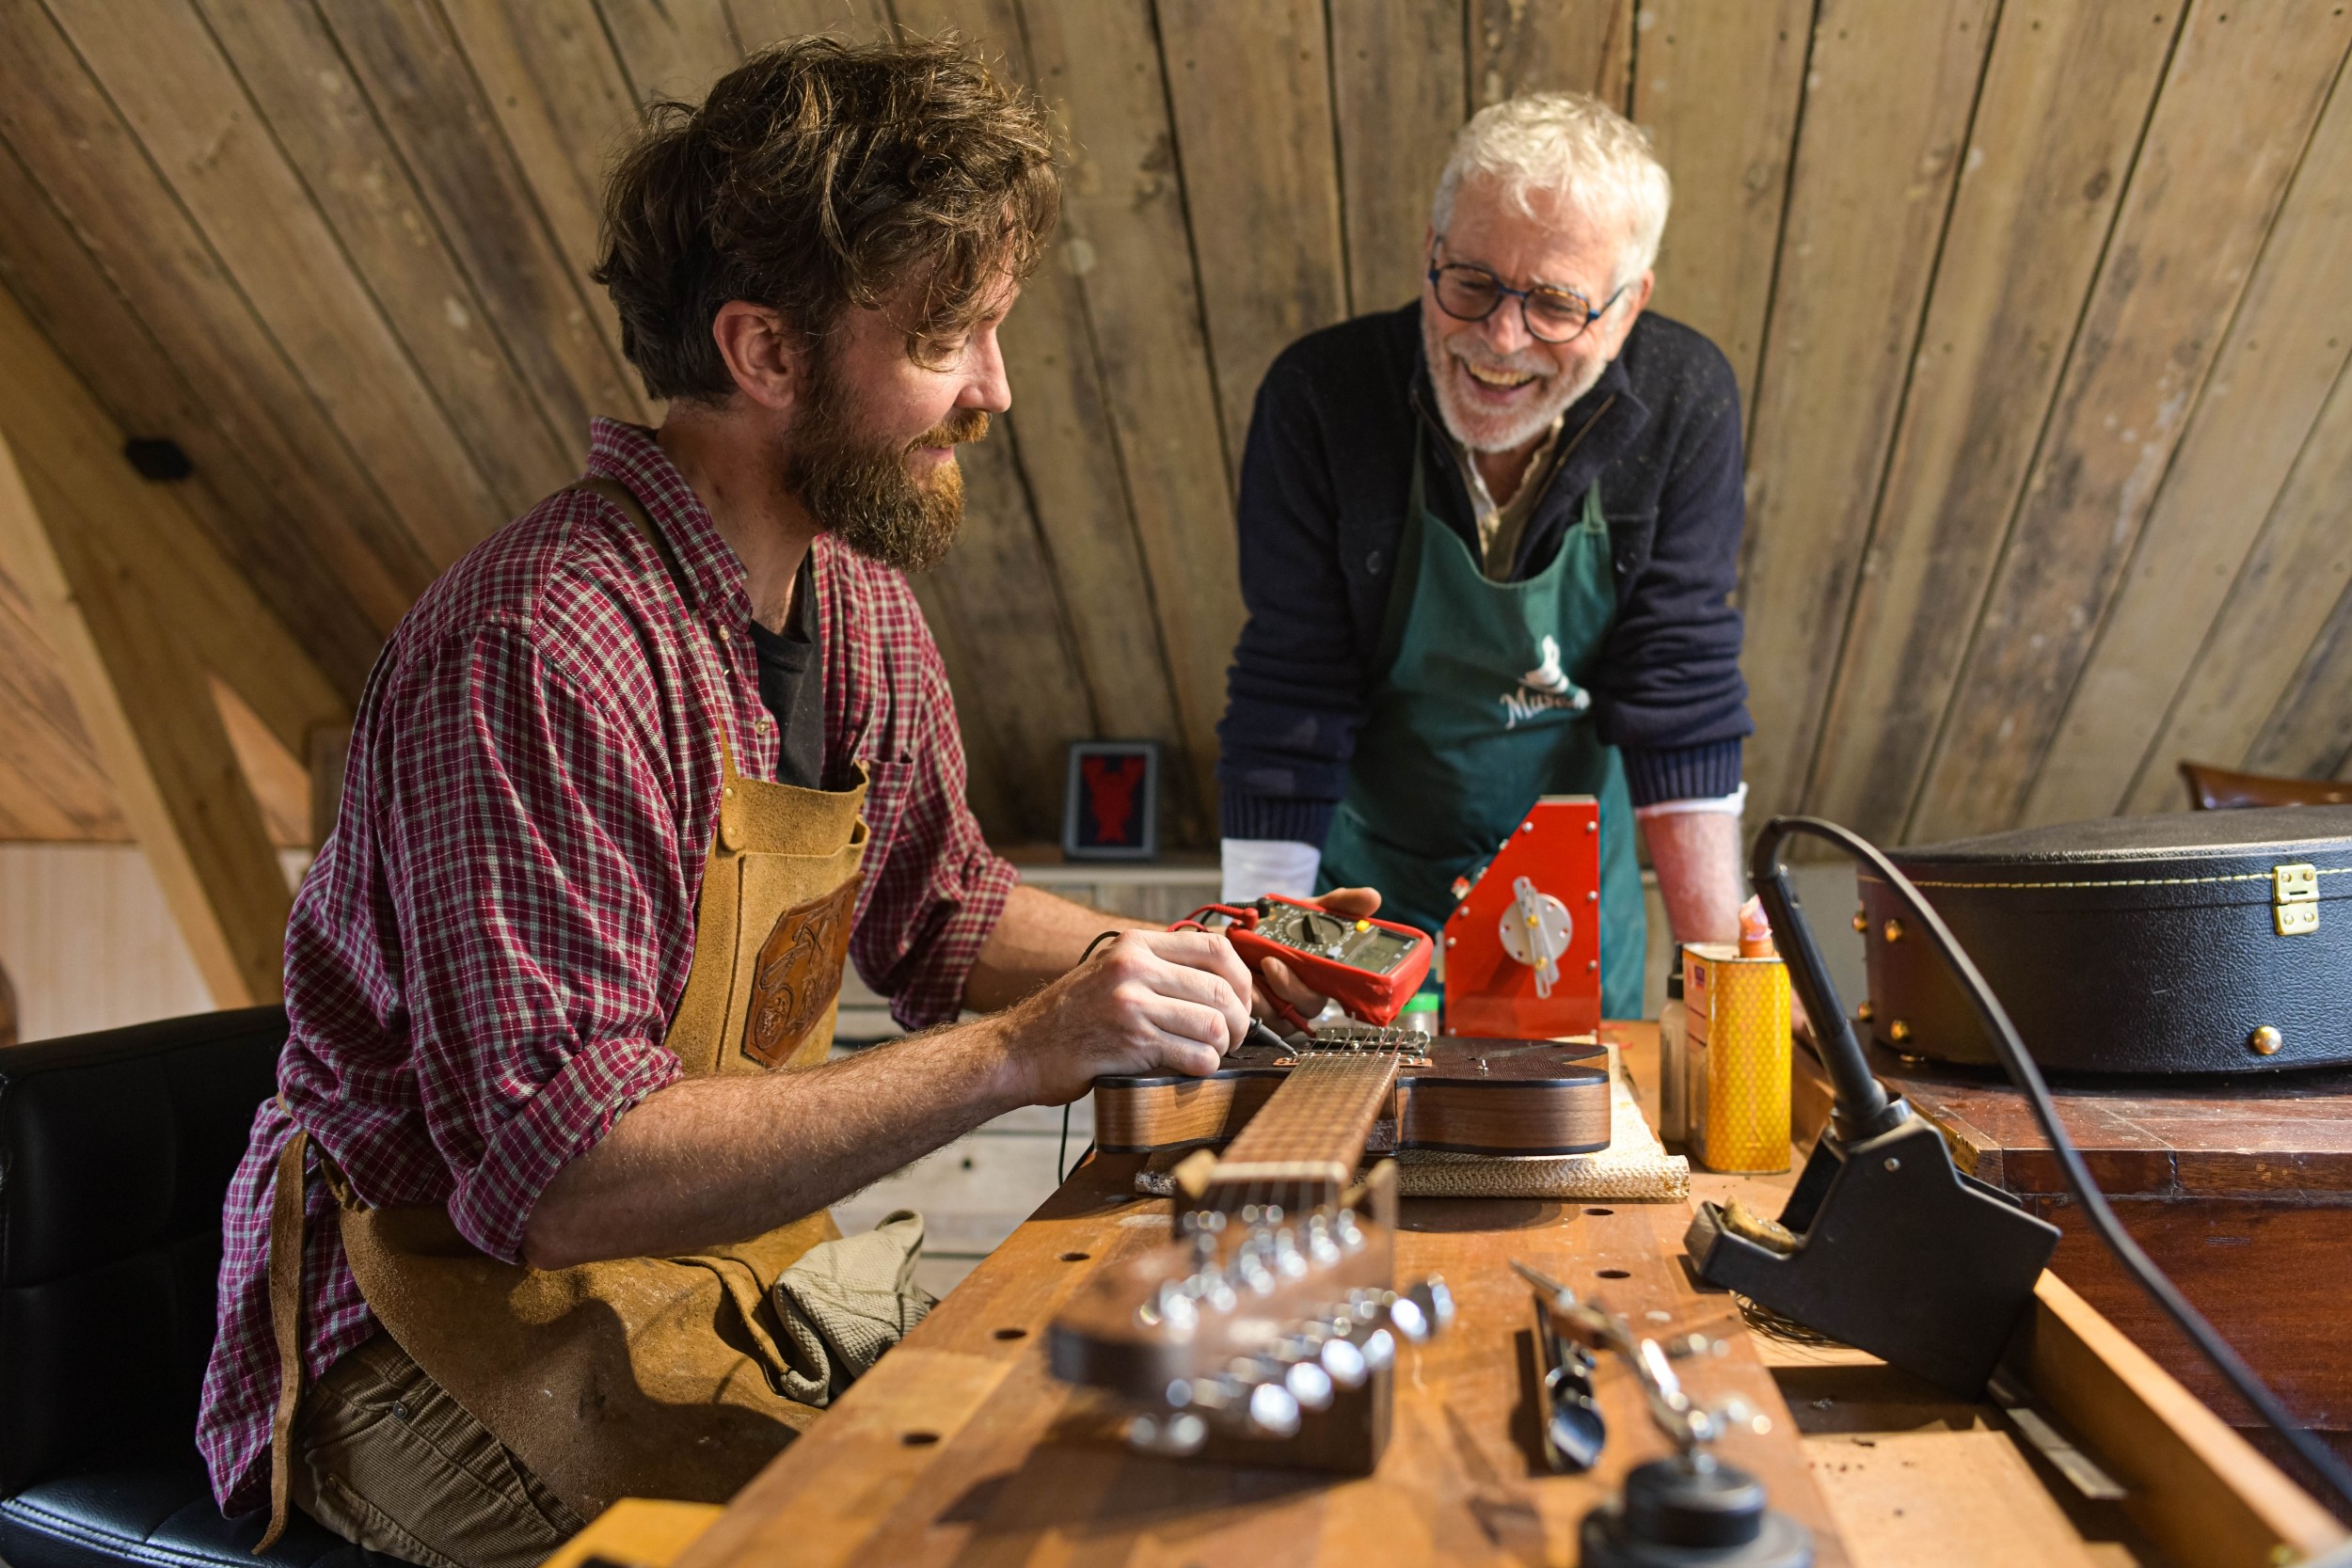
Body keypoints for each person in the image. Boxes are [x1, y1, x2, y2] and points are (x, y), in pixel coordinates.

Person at [197, 38, 1358, 1568]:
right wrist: (1025, 1051)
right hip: (433, 1333)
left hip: (685, 1274)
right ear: (765, 351)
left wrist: (1207, 958)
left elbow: (941, 906)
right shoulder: (543, 651)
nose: (995, 391)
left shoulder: (851, 601)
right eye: (952, 337)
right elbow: (560, 1177)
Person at [1216, 91, 1754, 1015]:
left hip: (1574, 909)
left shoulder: (1682, 399)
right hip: (1364, 905)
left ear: (1628, 309)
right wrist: (1260, 957)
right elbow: (1292, 692)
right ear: (1430, 249)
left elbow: (1678, 684)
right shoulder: (1321, 397)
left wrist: (1723, 973)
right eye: (1468, 283)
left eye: (1554, 305)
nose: (1500, 340)